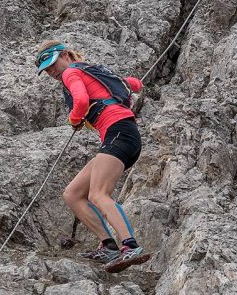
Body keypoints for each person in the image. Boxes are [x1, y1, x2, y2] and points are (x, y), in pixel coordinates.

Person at [35, 40, 151, 273]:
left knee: (98, 194)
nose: (52, 72)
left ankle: (130, 245)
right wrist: (135, 85)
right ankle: (108, 246)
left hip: (118, 132)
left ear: (66, 55)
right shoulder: (94, 71)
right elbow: (132, 84)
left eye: (52, 64)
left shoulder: (71, 73)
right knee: (73, 193)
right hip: (123, 135)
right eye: (46, 70)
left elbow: (80, 101)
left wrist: (75, 119)